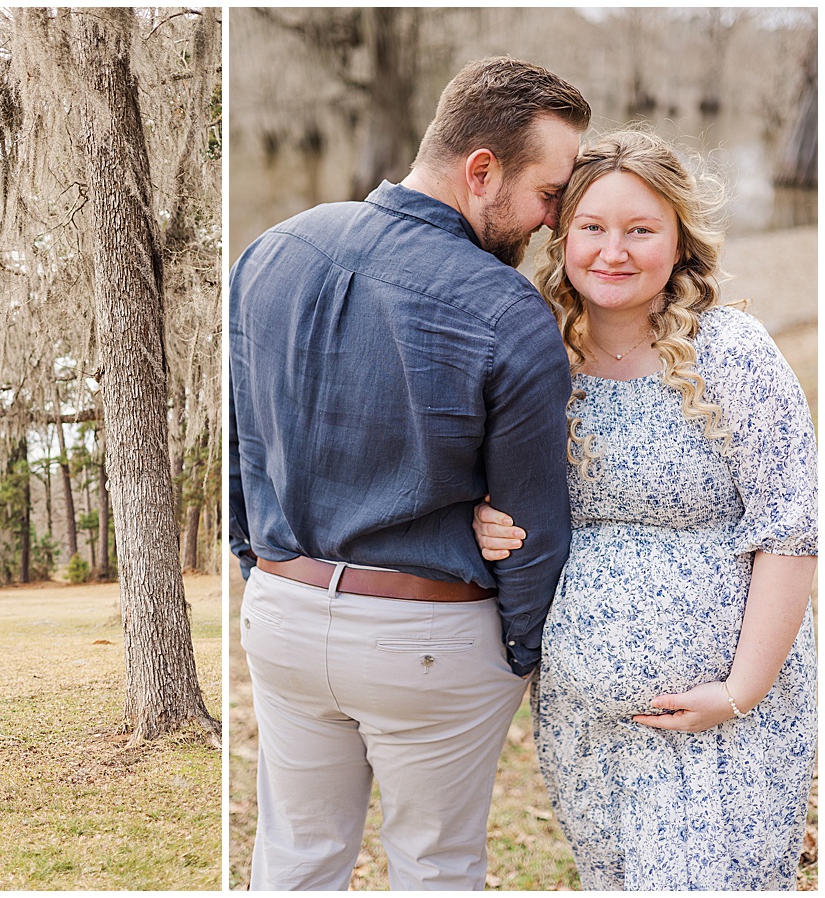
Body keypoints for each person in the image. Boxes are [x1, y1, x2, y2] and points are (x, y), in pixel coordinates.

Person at [229, 56, 591, 890]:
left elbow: (246, 447)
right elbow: (533, 529)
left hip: (282, 616)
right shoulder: (509, 313)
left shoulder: (271, 250)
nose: (552, 222)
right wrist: (517, 653)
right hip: (428, 641)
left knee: (294, 862)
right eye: (548, 194)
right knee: (436, 868)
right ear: (481, 171)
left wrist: (263, 569)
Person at [472, 128, 817, 890]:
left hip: (727, 723)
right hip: (586, 723)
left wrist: (739, 692)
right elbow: (486, 484)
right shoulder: (535, 359)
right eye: (592, 227)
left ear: (679, 239)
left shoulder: (733, 354)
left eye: (640, 230)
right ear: (562, 237)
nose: (613, 252)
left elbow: (790, 532)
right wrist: (482, 521)